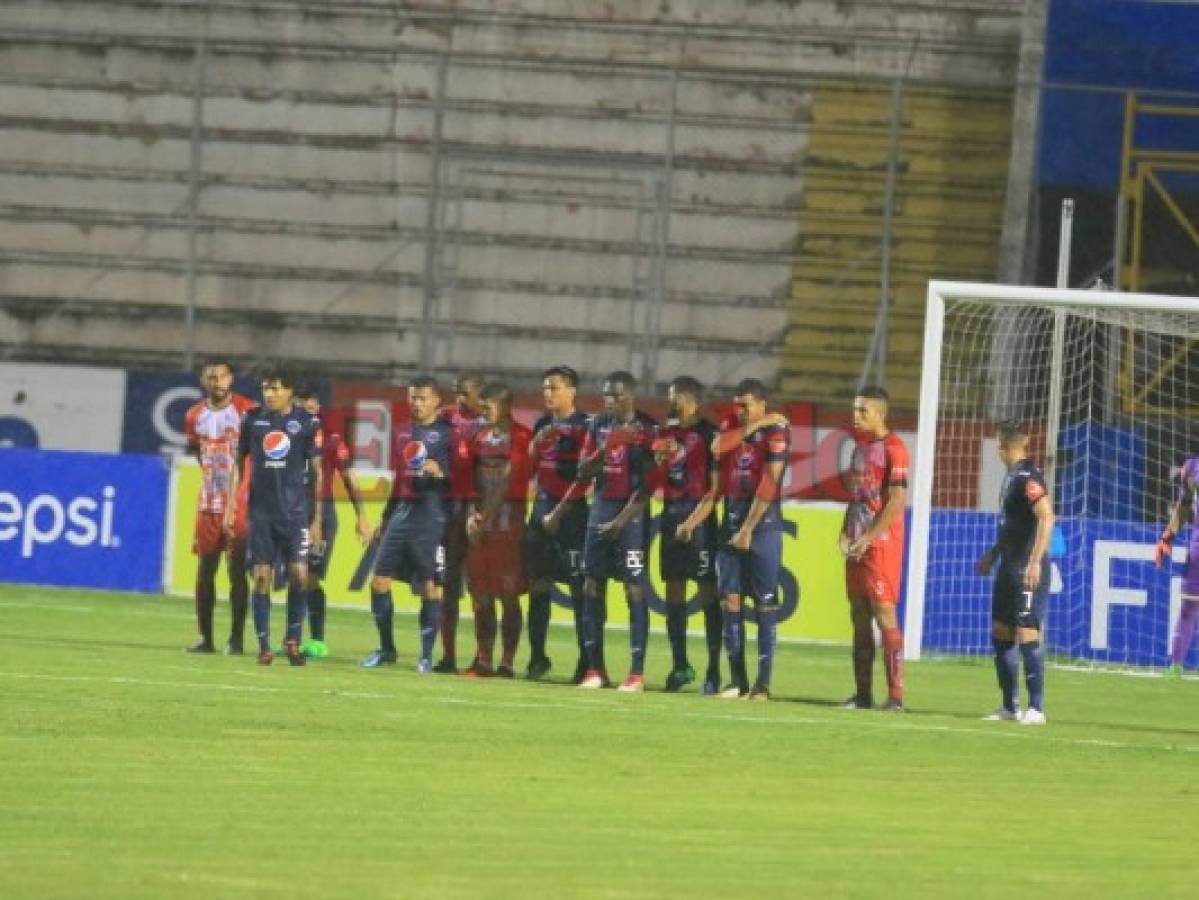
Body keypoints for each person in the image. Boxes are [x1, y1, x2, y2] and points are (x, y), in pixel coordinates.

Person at [362, 376, 466, 673]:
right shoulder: (402, 432)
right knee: (379, 582)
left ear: (436, 400)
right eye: (412, 398)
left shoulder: (450, 434)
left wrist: (442, 472)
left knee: (430, 588)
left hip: (432, 515)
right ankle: (386, 648)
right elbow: (398, 479)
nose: (416, 404)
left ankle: (425, 656)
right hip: (402, 514)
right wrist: (384, 518)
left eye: (422, 398)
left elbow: (463, 479)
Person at [566, 372, 657, 692]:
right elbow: (582, 472)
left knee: (634, 588)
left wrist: (622, 520)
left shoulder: (648, 431)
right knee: (592, 585)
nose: (609, 401)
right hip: (599, 512)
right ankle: (595, 669)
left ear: (630, 397)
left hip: (630, 518)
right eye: (606, 395)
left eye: (616, 396)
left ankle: (636, 674)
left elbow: (649, 485)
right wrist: (606, 448)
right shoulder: (597, 426)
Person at [227, 368, 323, 666]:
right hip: (261, 514)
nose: (269, 394)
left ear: (290, 391)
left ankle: (292, 640)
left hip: (295, 514)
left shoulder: (306, 423)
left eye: (275, 389)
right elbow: (238, 464)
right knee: (260, 577)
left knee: (299, 575)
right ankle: (264, 646)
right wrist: (232, 505)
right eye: (266, 388)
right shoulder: (252, 419)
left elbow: (319, 472)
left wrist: (317, 518)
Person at [709, 379, 790, 700]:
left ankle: (763, 685)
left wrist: (748, 529)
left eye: (746, 406)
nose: (739, 411)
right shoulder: (736, 425)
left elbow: (771, 482)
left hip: (763, 526)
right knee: (730, 599)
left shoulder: (777, 432)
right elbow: (717, 447)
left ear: (762, 404)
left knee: (764, 604)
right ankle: (737, 681)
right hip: (730, 521)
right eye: (737, 405)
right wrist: (754, 423)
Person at [976, 420, 1054, 725]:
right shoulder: (1011, 478)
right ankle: (1010, 707)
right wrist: (992, 554)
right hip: (1008, 565)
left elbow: (1047, 517)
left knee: (1026, 631)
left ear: (1002, 446)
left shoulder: (1028, 477)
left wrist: (1035, 562)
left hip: (1026, 566)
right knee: (1001, 631)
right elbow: (1013, 526)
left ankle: (1036, 708)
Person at [840, 385, 909, 712]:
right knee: (858, 615)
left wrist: (870, 536)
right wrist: (845, 532)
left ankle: (895, 697)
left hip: (881, 544)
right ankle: (863, 695)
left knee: (884, 614)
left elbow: (896, 501)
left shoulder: (895, 449)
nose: (855, 416)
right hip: (856, 543)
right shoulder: (859, 449)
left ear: (880, 413)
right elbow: (856, 497)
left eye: (862, 411)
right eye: (855, 410)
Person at [522, 366, 593, 681]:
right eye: (545, 388)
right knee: (538, 586)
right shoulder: (543, 423)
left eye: (553, 388)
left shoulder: (586, 426)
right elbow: (531, 467)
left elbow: (587, 478)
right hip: (540, 513)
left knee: (579, 589)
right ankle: (537, 657)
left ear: (572, 391)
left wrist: (559, 513)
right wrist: (536, 443)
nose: (547, 393)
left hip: (572, 517)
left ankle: (585, 662)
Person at [654, 376, 723, 694]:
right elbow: (658, 480)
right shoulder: (665, 434)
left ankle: (713, 670)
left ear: (689, 399)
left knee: (709, 594)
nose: (670, 402)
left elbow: (715, 489)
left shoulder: (710, 435)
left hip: (701, 525)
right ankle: (680, 665)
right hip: (671, 520)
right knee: (674, 594)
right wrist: (658, 462)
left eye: (674, 397)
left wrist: (693, 523)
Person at [183, 360, 256, 654]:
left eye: (221, 376)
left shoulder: (246, 410)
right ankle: (206, 638)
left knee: (236, 570)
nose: (216, 382)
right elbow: (196, 451)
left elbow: (257, 450)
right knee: (205, 569)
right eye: (211, 377)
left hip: (238, 501)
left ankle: (236, 638)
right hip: (208, 501)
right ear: (204, 380)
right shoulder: (193, 415)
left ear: (231, 379)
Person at [294, 386, 372, 659]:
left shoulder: (331, 438)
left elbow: (349, 477)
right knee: (295, 576)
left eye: (314, 401)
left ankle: (316, 639)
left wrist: (361, 515)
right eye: (304, 401)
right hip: (290, 513)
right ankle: (293, 638)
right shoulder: (285, 435)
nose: (310, 406)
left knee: (310, 578)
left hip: (322, 516)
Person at [463, 381, 533, 678]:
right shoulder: (479, 436)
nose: (483, 412)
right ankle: (484, 659)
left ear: (504, 406)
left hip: (508, 528)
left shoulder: (522, 437)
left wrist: (486, 518)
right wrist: (471, 516)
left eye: (488, 406)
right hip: (481, 529)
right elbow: (469, 479)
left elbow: (507, 481)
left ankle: (507, 662)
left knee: (508, 594)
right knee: (480, 593)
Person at [433, 373, 487, 673]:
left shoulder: (488, 422)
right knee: (449, 586)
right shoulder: (446, 418)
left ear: (479, 394)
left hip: (477, 511)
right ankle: (448, 655)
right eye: (456, 392)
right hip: (449, 510)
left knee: (480, 587)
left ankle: (483, 656)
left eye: (465, 393)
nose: (459, 398)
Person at [1154, 458, 1199, 679]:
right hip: (1198, 546)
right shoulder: (1192, 468)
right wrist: (1168, 536)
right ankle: (1175, 665)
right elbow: (1184, 505)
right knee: (1189, 607)